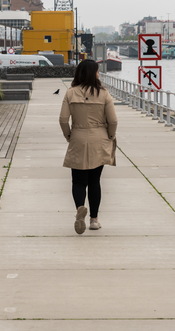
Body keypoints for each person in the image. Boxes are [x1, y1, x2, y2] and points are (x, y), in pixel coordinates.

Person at [60, 59, 118, 234]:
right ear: (94, 74)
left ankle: (79, 208)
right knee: (94, 180)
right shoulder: (103, 94)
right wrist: (109, 135)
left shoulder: (70, 93)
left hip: (78, 136)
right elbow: (113, 120)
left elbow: (63, 119)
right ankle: (94, 220)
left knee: (78, 180)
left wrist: (69, 135)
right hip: (99, 139)